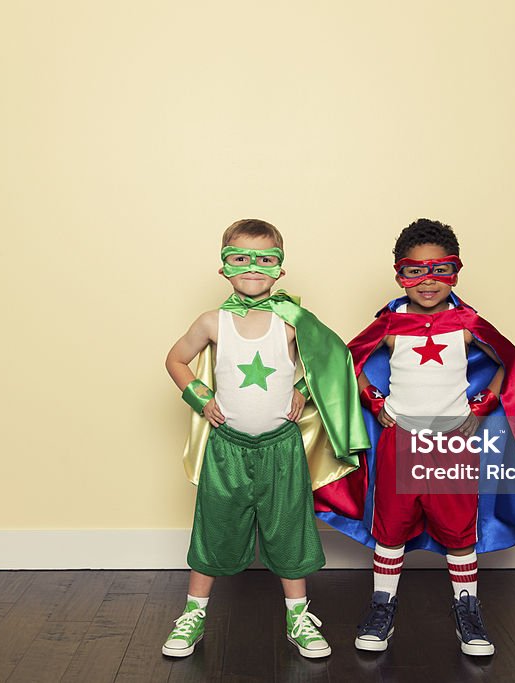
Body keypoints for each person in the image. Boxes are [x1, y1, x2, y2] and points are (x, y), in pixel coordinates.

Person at [315, 218, 515, 657]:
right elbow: (345, 362)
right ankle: (382, 605)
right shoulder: (390, 325)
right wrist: (374, 401)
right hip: (401, 442)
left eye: (439, 269)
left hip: (452, 442)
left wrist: (483, 405)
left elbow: (511, 360)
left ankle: (467, 609)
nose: (427, 281)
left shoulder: (467, 323)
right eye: (415, 271)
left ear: (456, 271)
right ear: (399, 273)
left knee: (458, 531)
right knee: (391, 528)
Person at [161, 219, 369, 659]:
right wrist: (200, 398)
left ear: (280, 268)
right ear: (223, 267)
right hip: (227, 447)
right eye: (240, 258)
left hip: (281, 447)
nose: (252, 268)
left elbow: (333, 363)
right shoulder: (211, 321)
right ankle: (193, 613)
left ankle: (298, 616)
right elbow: (176, 359)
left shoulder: (292, 321)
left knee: (289, 528)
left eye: (264, 259)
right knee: (214, 527)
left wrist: (303, 389)